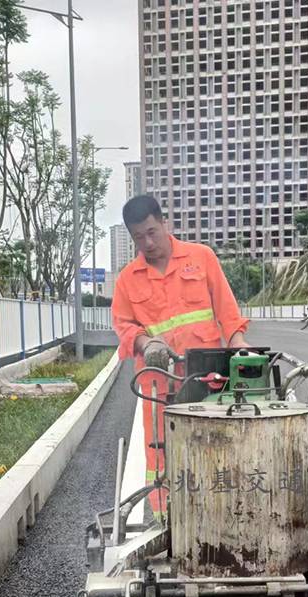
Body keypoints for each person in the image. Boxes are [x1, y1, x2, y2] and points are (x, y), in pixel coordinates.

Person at [112, 195, 250, 517]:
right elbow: (123, 325)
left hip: (208, 377)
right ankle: (166, 522)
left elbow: (228, 314)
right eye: (137, 237)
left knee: (214, 443)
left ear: (164, 223)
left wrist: (240, 348)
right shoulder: (127, 280)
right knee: (159, 452)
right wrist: (146, 343)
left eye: (151, 232)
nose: (147, 242)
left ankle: (217, 515)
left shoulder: (201, 258)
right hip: (159, 385)